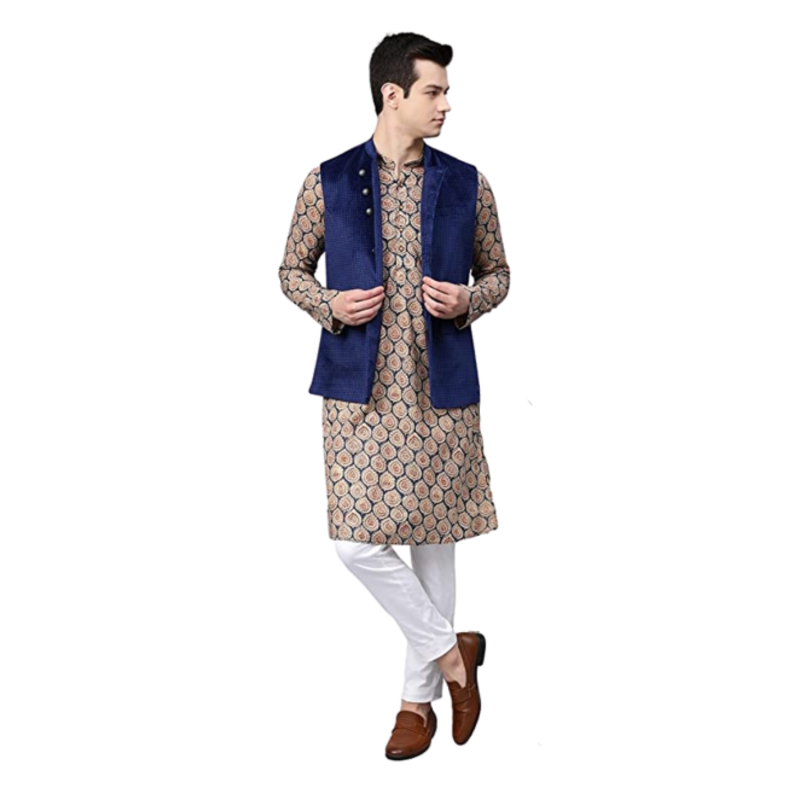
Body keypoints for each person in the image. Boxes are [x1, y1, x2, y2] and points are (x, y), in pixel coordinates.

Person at [278, 32, 509, 760]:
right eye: (433, 91)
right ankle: (452, 654)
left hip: (440, 386)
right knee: (355, 542)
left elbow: (499, 273)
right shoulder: (327, 181)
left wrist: (469, 301)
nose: (445, 104)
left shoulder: (468, 183)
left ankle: (415, 703)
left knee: (433, 541)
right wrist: (329, 305)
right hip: (359, 391)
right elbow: (290, 270)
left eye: (445, 91)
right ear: (392, 95)